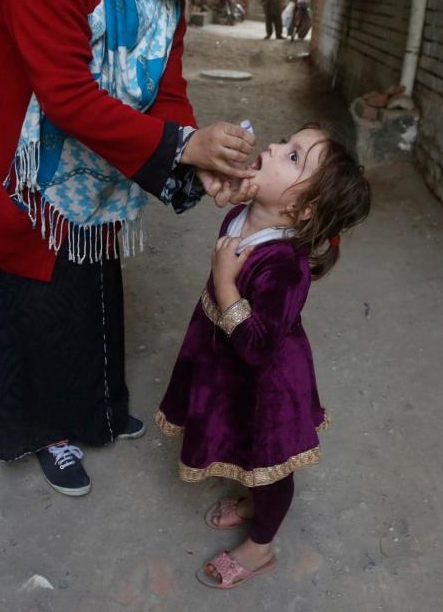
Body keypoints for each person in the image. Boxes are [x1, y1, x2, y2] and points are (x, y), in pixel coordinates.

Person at [0, 0, 256, 497]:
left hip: (90, 170)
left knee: (89, 290)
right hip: (17, 166)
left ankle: (97, 412)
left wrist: (196, 155)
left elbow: (167, 92)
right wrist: (182, 149)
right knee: (38, 301)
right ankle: (49, 430)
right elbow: (66, 96)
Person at [156, 123, 372, 588]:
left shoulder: (285, 267)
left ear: (300, 208)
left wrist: (227, 281)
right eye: (286, 143)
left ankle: (261, 548)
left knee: (268, 462)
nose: (274, 147)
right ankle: (253, 501)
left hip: (266, 384)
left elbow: (257, 347)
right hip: (223, 364)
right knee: (239, 441)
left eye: (293, 157)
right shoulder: (245, 215)